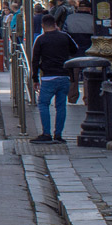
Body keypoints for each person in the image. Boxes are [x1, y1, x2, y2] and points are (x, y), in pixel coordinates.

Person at [31, 13, 76, 144]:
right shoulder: (64, 37)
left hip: (48, 77)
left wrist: (35, 79)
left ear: (42, 26)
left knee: (43, 104)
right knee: (61, 106)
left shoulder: (40, 39)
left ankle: (46, 133)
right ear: (55, 25)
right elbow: (75, 49)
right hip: (64, 76)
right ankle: (58, 135)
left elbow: (35, 60)